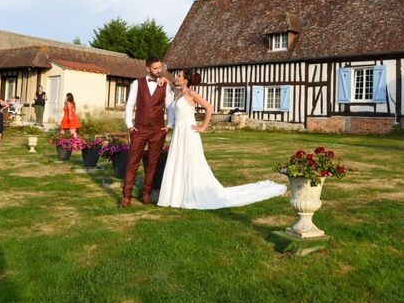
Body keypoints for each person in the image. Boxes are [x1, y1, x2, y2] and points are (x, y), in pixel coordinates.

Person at [158, 69, 286, 210]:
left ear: (185, 80)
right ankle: (178, 194)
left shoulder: (191, 93)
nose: (176, 77)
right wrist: (167, 80)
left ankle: (193, 192)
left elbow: (209, 107)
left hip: (189, 132)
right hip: (179, 133)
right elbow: (171, 86)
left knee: (191, 161)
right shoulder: (179, 93)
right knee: (179, 161)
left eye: (179, 76)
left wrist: (203, 126)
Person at [122, 56, 175, 208]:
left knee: (152, 164)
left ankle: (146, 193)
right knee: (132, 163)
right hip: (139, 129)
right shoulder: (137, 83)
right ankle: (126, 196)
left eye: (160, 68)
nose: (159, 71)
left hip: (158, 130)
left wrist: (169, 126)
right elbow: (129, 105)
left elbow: (170, 107)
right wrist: (129, 125)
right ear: (147, 69)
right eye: (155, 68)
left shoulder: (165, 85)